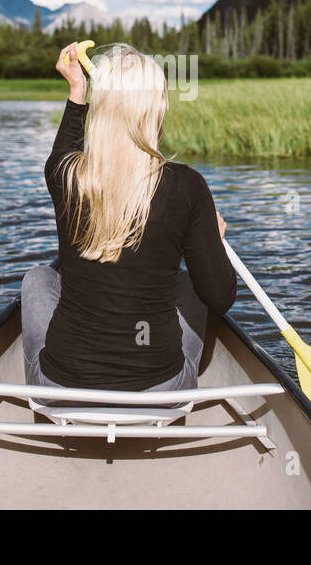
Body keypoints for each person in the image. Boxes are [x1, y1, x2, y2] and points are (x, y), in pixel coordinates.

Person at [21, 41, 237, 393]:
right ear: (155, 109)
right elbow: (221, 298)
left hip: (62, 388)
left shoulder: (65, 176)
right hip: (159, 390)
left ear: (101, 109)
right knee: (189, 283)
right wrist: (214, 243)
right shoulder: (187, 185)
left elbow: (63, 150)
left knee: (38, 277)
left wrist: (78, 90)